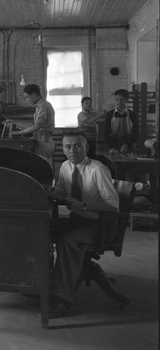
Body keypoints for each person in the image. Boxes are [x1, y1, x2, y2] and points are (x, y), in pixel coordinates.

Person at [48, 130, 119, 317]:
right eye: (68, 146)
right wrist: (56, 192)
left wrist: (85, 205)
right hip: (78, 219)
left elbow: (113, 205)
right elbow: (61, 189)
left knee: (68, 240)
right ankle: (43, 284)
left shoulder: (98, 169)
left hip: (98, 224)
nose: (73, 150)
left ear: (86, 147)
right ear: (63, 149)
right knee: (44, 231)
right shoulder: (65, 166)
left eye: (78, 145)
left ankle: (62, 298)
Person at [11, 84, 55, 166]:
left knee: (45, 169)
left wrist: (20, 133)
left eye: (27, 97)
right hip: (42, 141)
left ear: (34, 95)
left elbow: (37, 125)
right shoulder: (40, 106)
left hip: (44, 142)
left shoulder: (43, 106)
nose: (27, 100)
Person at [104, 89, 139, 156]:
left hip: (129, 146)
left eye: (122, 100)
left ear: (126, 100)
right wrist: (111, 147)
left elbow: (136, 134)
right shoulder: (110, 114)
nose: (119, 102)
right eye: (117, 100)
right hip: (113, 146)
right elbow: (106, 133)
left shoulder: (132, 115)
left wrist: (126, 144)